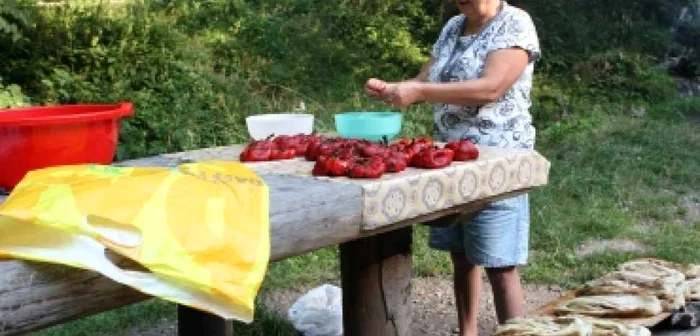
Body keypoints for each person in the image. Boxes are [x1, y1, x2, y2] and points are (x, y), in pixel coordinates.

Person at [365, 1, 541, 335]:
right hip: (447, 161)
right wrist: (393, 90)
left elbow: (491, 88)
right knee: (460, 256)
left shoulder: (516, 23)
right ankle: (467, 332)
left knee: (500, 264)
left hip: (497, 165)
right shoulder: (453, 26)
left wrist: (418, 91)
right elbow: (425, 79)